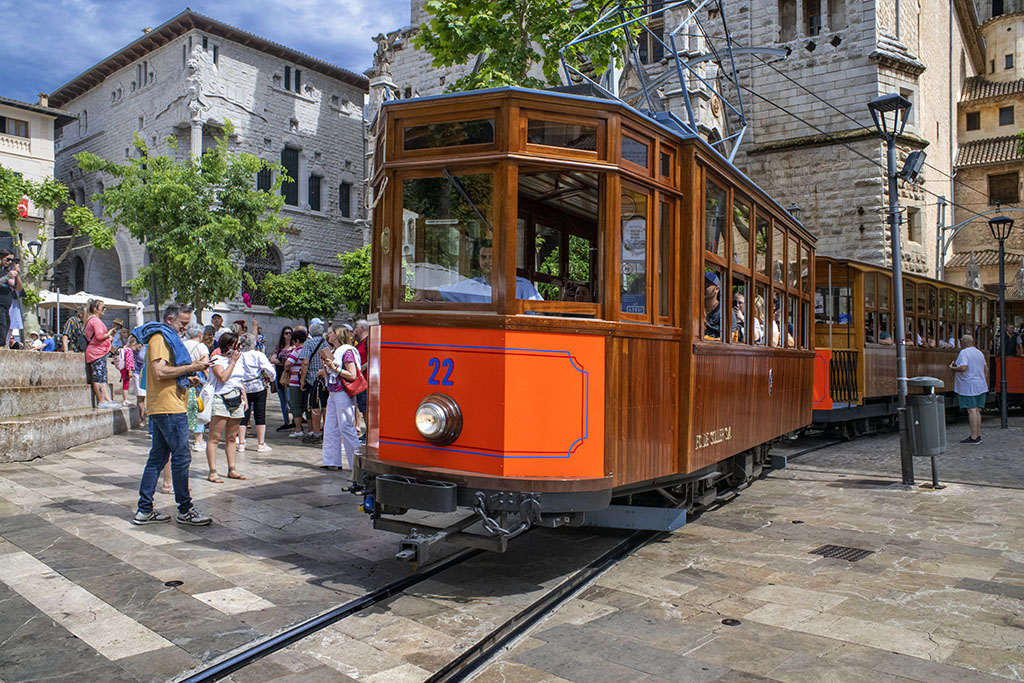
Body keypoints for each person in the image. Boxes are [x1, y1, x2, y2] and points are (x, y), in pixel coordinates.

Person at [130, 302, 213, 526]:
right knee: (181, 457)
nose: (184, 328)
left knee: (157, 458)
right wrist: (191, 368)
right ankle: (185, 510)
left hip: (165, 405)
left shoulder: (165, 337)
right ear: (169, 320)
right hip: (169, 408)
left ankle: (144, 509)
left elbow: (166, 373)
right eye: (182, 323)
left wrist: (188, 378)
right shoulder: (160, 338)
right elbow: (159, 371)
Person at [206, 332, 247, 483]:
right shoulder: (217, 359)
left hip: (236, 399)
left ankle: (232, 469)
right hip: (220, 399)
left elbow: (240, 380)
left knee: (231, 437)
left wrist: (245, 398)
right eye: (237, 344)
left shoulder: (239, 360)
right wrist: (232, 363)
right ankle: (213, 471)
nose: (239, 348)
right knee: (215, 437)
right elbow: (222, 377)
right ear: (229, 345)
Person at [320, 323, 361, 470]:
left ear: (337, 335)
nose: (328, 335)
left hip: (343, 392)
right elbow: (330, 376)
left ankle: (356, 463)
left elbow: (352, 375)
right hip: (333, 391)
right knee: (330, 426)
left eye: (331, 333)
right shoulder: (335, 351)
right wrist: (326, 368)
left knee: (346, 427)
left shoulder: (347, 352)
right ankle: (331, 460)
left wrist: (333, 368)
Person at [238, 332, 275, 452]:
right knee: (260, 414)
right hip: (258, 386)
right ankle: (261, 443)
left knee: (243, 414)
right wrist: (271, 378)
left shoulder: (239, 355)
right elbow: (269, 369)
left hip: (243, 386)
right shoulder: (258, 355)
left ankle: (241, 443)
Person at [951, 333, 988, 445]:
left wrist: (953, 368)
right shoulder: (979, 353)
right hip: (980, 385)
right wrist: (982, 379)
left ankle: (973, 436)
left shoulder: (964, 352)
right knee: (977, 410)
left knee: (971, 410)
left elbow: (963, 367)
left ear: (963, 343)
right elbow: (986, 369)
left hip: (968, 385)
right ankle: (977, 435)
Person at [83, 299, 120, 408]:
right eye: (102, 308)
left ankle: (107, 399)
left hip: (99, 352)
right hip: (96, 353)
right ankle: (101, 400)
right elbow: (99, 336)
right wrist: (109, 333)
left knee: (103, 377)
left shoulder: (92, 320)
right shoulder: (95, 321)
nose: (105, 309)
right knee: (98, 377)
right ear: (95, 309)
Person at [299, 319, 330, 444]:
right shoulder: (326, 343)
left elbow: (305, 362)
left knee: (314, 407)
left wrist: (302, 380)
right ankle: (326, 433)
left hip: (313, 379)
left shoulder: (308, 343)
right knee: (325, 407)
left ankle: (316, 433)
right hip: (326, 378)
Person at [182, 323, 209, 453]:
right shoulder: (201, 346)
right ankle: (198, 440)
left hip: (182, 377)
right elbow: (205, 366)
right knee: (197, 408)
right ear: (200, 335)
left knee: (184, 407)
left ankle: (184, 438)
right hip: (197, 378)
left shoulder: (182, 344)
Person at [283, 327, 308, 437]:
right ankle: (312, 429)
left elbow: (288, 364)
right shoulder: (309, 349)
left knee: (295, 406)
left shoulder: (297, 350)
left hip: (295, 381)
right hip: (307, 380)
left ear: (296, 341)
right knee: (307, 406)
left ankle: (298, 429)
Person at [270, 326, 294, 431]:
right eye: (286, 333)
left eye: (290, 333)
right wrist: (281, 361)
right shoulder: (279, 347)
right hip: (280, 375)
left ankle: (295, 420)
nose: (288, 335)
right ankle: (286, 421)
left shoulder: (294, 347)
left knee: (290, 399)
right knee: (282, 399)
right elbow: (272, 359)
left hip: (290, 375)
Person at [0, 250, 24, 346]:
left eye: (12, 260)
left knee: (5, 329)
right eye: (8, 259)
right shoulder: (5, 274)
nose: (10, 262)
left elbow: (18, 288)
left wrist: (17, 275)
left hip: (6, 308)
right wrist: (7, 277)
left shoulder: (5, 272)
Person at [354, 319, 370, 440]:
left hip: (365, 380)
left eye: (357, 327)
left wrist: (361, 368)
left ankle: (369, 432)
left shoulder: (368, 341)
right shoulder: (359, 342)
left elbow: (373, 357)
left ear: (362, 328)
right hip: (361, 379)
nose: (355, 329)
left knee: (365, 408)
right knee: (362, 407)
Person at [116, 340, 135, 406]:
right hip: (126, 369)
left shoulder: (125, 349)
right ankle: (125, 399)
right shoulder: (129, 350)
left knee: (125, 383)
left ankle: (125, 399)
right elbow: (128, 362)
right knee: (126, 384)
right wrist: (129, 371)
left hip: (123, 368)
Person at [704, 271, 721, 339]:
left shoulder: (725, 312)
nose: (702, 287)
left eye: (706, 285)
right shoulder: (696, 309)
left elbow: (729, 338)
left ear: (717, 289)